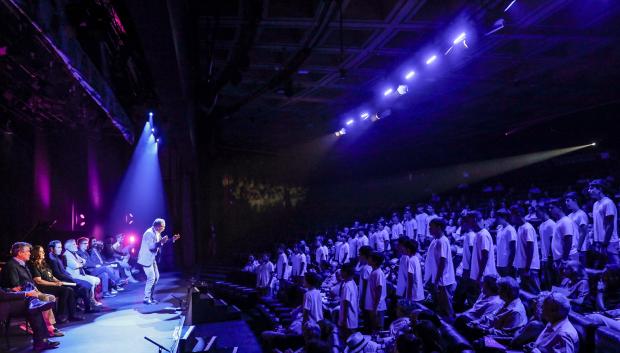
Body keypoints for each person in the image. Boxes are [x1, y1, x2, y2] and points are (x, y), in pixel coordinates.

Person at [29, 245, 82, 323]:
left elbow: (51, 275)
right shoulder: (33, 265)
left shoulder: (44, 264)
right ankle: (60, 316)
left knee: (70, 290)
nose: (43, 253)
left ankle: (72, 314)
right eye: (41, 251)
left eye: (43, 251)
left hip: (51, 284)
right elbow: (39, 281)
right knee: (65, 290)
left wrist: (57, 281)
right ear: (36, 253)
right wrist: (55, 284)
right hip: (43, 287)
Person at [47, 240, 99, 312]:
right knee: (86, 286)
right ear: (52, 249)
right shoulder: (52, 259)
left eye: (61, 247)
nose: (61, 249)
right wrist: (70, 279)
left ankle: (84, 307)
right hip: (62, 281)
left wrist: (69, 277)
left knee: (87, 285)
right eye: (58, 247)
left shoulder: (56, 257)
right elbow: (58, 274)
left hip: (67, 278)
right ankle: (85, 308)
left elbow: (63, 271)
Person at [137, 218, 179, 304]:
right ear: (158, 226)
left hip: (152, 258)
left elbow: (162, 243)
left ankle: (150, 297)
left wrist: (172, 239)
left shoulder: (157, 233)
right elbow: (152, 247)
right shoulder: (149, 233)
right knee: (151, 278)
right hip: (146, 259)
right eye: (163, 227)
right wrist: (161, 242)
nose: (164, 228)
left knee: (156, 277)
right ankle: (146, 298)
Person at [424, 217, 456, 319]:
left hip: (443, 280)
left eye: (431, 227)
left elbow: (442, 262)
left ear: (438, 227)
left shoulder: (442, 241)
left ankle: (453, 329)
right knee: (441, 307)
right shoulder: (437, 240)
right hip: (440, 280)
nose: (429, 229)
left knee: (447, 308)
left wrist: (437, 281)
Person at [511, 206, 541, 293]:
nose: (511, 218)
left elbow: (530, 249)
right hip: (523, 266)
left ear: (518, 215)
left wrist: (527, 268)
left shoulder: (527, 228)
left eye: (512, 215)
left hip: (530, 267)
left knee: (534, 291)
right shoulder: (520, 228)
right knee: (526, 293)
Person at [588, 179, 618, 265]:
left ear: (600, 189)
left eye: (591, 188)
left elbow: (610, 225)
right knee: (608, 269)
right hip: (600, 242)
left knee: (616, 266)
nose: (589, 190)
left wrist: (605, 243)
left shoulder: (608, 202)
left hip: (609, 242)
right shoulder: (595, 204)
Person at [565, 192, 590, 265]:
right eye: (565, 201)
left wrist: (578, 249)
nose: (566, 203)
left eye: (568, 200)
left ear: (575, 200)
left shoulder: (581, 214)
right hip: (572, 249)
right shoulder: (569, 216)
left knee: (581, 271)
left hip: (580, 249)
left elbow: (583, 232)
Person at [365, 251, 387, 332]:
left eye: (370, 259)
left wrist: (375, 307)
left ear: (375, 261)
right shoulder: (374, 272)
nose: (368, 260)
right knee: (373, 327)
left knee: (378, 328)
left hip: (377, 305)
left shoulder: (378, 273)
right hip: (373, 304)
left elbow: (379, 290)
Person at [338, 263, 358, 339]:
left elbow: (346, 303)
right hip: (353, 319)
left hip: (347, 321)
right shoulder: (353, 283)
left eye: (342, 271)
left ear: (345, 272)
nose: (340, 273)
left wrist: (344, 320)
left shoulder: (347, 286)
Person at [496, 209, 517, 277]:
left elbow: (513, 250)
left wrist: (509, 265)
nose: (497, 219)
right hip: (500, 264)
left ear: (504, 217)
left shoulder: (510, 230)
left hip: (507, 264)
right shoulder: (499, 229)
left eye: (498, 217)